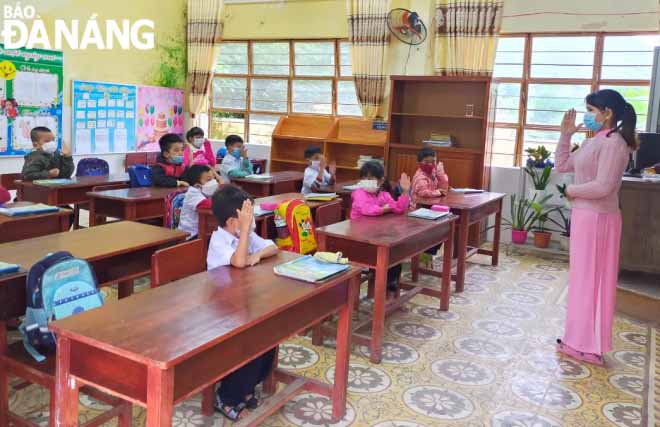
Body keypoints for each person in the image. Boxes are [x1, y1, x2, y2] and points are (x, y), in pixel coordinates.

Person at [555, 89, 636, 365]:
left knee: (593, 281)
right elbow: (563, 164)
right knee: (581, 280)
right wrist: (566, 135)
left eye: (591, 111)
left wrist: (572, 191)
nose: (587, 116)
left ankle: (590, 345)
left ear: (607, 113)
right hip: (585, 217)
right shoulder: (594, 141)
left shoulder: (614, 143)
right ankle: (576, 339)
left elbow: (604, 187)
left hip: (600, 219)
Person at [207, 184, 278, 420]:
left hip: (242, 301)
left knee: (269, 336)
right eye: (247, 217)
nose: (252, 221)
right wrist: (246, 233)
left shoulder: (241, 233)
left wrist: (256, 255)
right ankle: (226, 396)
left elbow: (272, 246)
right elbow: (238, 262)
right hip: (221, 309)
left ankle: (246, 388)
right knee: (250, 342)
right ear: (232, 221)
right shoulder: (219, 240)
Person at [351, 160, 411, 293]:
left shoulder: (384, 195)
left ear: (381, 180)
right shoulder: (359, 193)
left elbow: (399, 208)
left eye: (371, 178)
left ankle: (388, 284)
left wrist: (405, 192)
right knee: (385, 254)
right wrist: (383, 209)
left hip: (377, 236)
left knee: (396, 252)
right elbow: (367, 209)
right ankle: (383, 286)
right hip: (360, 238)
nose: (367, 181)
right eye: (364, 178)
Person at [177, 165, 221, 239]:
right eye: (209, 180)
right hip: (191, 235)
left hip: (201, 230)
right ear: (197, 185)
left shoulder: (207, 191)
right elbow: (209, 204)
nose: (213, 182)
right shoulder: (192, 193)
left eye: (214, 179)